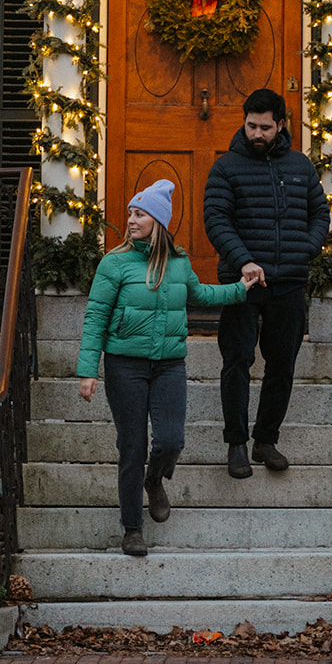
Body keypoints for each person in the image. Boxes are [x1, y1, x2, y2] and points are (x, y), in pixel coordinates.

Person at [77, 178, 258, 557]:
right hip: (125, 364)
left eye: (139, 214)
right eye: (129, 212)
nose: (130, 219)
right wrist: (88, 369)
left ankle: (155, 479)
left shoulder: (179, 262)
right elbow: (95, 316)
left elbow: (203, 295)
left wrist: (240, 289)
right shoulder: (115, 263)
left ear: (157, 221)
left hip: (170, 365)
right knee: (132, 445)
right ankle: (132, 528)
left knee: (172, 440)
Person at [203, 88, 330, 479]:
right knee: (237, 361)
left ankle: (266, 440)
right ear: (244, 122)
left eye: (265, 127)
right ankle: (236, 444)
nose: (257, 133)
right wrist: (244, 262)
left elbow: (320, 213)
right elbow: (216, 221)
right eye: (251, 126)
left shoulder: (300, 166)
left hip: (288, 282)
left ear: (280, 126)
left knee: (282, 365)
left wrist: (304, 250)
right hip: (242, 285)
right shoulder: (226, 167)